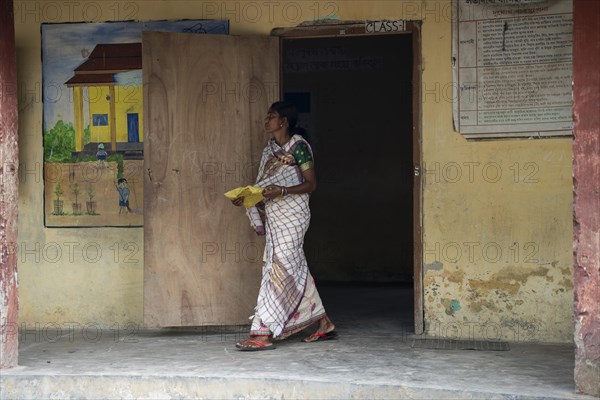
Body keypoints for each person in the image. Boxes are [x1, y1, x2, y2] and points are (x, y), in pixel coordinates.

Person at [231, 101, 337, 351]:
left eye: (272, 116)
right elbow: (262, 188)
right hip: (275, 214)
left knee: (280, 268)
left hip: (294, 215)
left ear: (284, 122)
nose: (266, 120)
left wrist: (282, 191)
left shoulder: (299, 148)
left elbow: (311, 184)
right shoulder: (269, 151)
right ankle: (324, 323)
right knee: (290, 267)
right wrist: (246, 198)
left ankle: (263, 332)